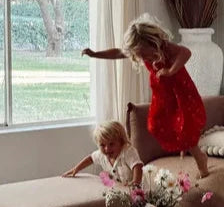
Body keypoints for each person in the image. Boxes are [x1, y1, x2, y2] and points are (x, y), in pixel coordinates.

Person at [82, 15, 209, 177]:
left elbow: (186, 52)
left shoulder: (165, 47)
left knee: (185, 127)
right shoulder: (140, 51)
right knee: (155, 124)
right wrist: (95, 54)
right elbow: (118, 53)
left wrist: (170, 71)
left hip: (180, 92)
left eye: (144, 54)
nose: (143, 58)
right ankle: (186, 148)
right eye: (139, 55)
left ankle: (200, 159)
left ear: (151, 42)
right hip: (163, 95)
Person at [62, 120, 143, 187]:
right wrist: (76, 169)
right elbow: (90, 159)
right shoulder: (101, 155)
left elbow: (137, 165)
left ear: (121, 142)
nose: (107, 149)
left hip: (137, 190)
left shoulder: (128, 151)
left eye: (111, 144)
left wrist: (135, 182)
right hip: (120, 189)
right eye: (102, 145)